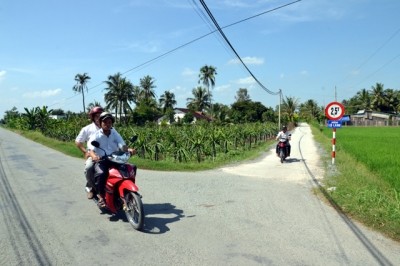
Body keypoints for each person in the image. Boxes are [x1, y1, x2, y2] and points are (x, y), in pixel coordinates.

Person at [88, 112, 135, 208]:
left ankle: (128, 191)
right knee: (101, 174)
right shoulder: (96, 135)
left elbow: (121, 144)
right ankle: (101, 196)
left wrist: (128, 149)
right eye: (105, 122)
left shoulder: (114, 133)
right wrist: (94, 156)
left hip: (116, 158)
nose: (107, 124)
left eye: (109, 122)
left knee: (132, 168)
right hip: (102, 160)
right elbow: (91, 149)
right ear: (100, 123)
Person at [75, 106, 104, 199]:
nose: (99, 118)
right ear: (93, 117)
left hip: (107, 154)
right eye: (97, 116)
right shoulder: (87, 129)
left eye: (101, 116)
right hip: (93, 155)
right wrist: (85, 151)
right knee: (89, 168)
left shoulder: (108, 126)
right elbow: (78, 142)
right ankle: (91, 188)